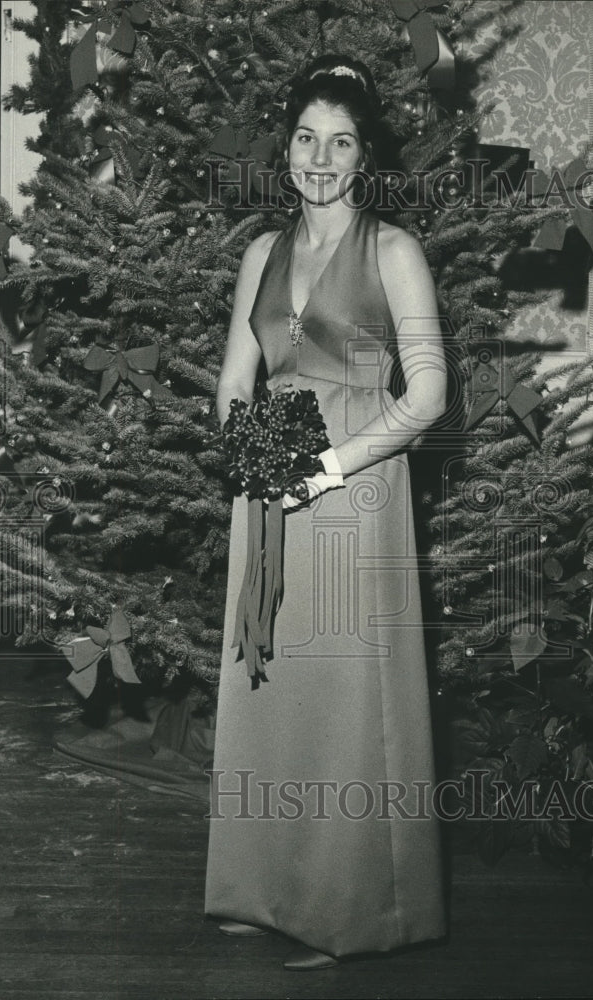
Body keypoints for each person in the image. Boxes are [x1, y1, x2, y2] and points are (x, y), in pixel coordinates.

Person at [204, 54, 448, 971]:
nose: (319, 157)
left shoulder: (393, 251)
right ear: (287, 144)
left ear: (364, 154)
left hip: (356, 492)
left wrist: (325, 468)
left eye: (340, 141)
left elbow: (427, 395)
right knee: (270, 690)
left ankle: (353, 914)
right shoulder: (262, 253)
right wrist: (256, 457)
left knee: (349, 702)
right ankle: (264, 891)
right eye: (306, 137)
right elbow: (235, 380)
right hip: (267, 486)